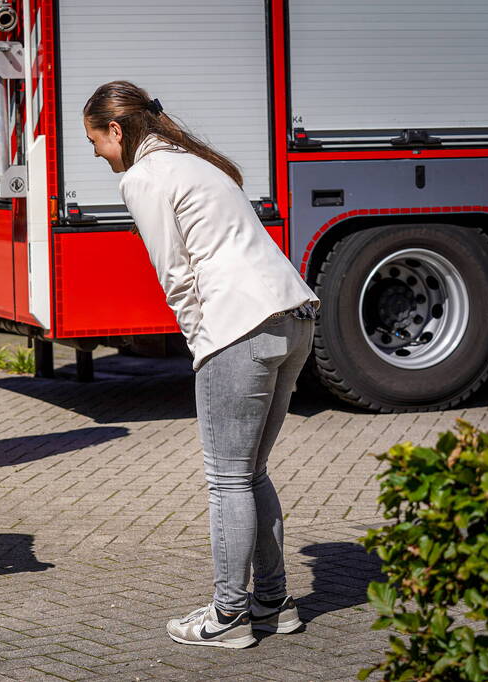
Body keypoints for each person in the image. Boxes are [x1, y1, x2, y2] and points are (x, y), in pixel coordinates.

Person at [83, 81, 320, 649]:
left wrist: (200, 342)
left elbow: (176, 274)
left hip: (238, 326)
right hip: (293, 316)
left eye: (95, 140)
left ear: (117, 130)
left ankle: (229, 616)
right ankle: (272, 603)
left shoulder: (143, 176)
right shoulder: (194, 162)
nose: (94, 153)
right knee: (251, 472)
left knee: (227, 478)